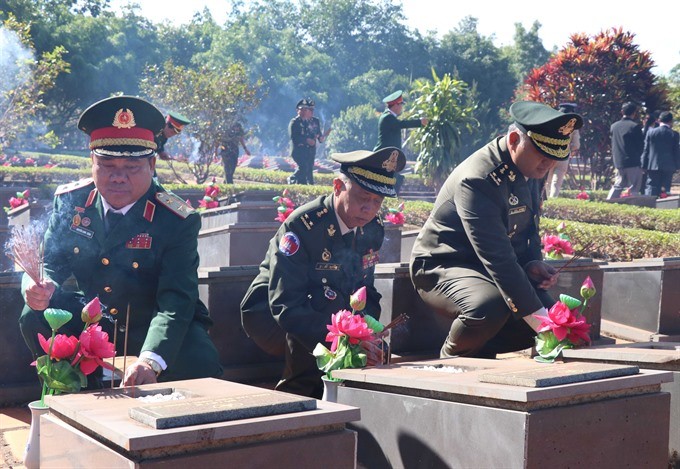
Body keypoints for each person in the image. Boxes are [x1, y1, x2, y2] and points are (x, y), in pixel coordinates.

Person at [19, 96, 222, 387]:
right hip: (93, 322)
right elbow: (49, 263)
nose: (118, 177)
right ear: (92, 162)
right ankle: (66, 389)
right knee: (34, 314)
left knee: (200, 360)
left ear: (152, 164)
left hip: (151, 325)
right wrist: (37, 286)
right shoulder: (72, 201)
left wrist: (151, 360)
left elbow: (176, 299)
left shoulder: (176, 219)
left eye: (131, 167)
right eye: (107, 165)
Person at [410, 101, 583, 359]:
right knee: (489, 308)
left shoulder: (530, 168)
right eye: (543, 155)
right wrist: (541, 321)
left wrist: (533, 262)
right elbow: (498, 259)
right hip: (443, 264)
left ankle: (478, 353)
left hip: (486, 268)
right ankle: (451, 360)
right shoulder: (479, 179)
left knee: (554, 317)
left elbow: (529, 229)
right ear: (514, 139)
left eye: (555, 157)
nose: (548, 165)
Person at [241, 146, 406, 398]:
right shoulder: (304, 226)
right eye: (363, 197)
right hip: (271, 316)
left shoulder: (372, 228)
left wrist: (367, 336)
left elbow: (366, 292)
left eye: (377, 201)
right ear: (338, 187)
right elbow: (287, 307)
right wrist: (345, 341)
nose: (370, 209)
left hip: (326, 309)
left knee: (367, 349)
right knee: (320, 317)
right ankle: (296, 396)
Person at [374, 90, 428, 193]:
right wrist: (420, 122)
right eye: (401, 105)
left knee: (393, 181)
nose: (402, 108)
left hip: (389, 155)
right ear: (396, 105)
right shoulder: (388, 117)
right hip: (384, 155)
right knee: (390, 182)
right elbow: (402, 124)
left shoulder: (389, 116)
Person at [287, 98, 331, 185]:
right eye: (305, 109)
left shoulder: (312, 121)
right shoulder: (295, 122)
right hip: (298, 150)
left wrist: (323, 137)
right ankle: (292, 178)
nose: (309, 112)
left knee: (309, 169)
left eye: (310, 110)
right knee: (304, 167)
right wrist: (307, 140)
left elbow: (318, 136)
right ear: (298, 110)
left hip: (310, 150)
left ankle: (305, 184)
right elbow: (294, 137)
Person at [607, 102, 645, 199]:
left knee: (618, 185)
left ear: (622, 111)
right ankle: (632, 208)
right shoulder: (634, 127)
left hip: (618, 161)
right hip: (632, 162)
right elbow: (641, 145)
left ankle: (608, 202)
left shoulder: (614, 126)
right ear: (634, 113)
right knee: (634, 187)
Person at [641, 111, 680, 196]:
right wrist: (677, 166)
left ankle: (650, 205)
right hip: (669, 165)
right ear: (671, 121)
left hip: (652, 165)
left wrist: (643, 165)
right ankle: (664, 205)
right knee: (665, 188)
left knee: (651, 186)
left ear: (659, 120)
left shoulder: (651, 132)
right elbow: (676, 151)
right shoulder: (675, 134)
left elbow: (646, 150)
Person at [545, 103, 580, 198]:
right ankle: (553, 199)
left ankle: (545, 200)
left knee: (547, 180)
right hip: (563, 155)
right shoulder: (573, 126)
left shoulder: (551, 122)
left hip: (550, 153)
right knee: (557, 181)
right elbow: (576, 144)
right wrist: (571, 152)